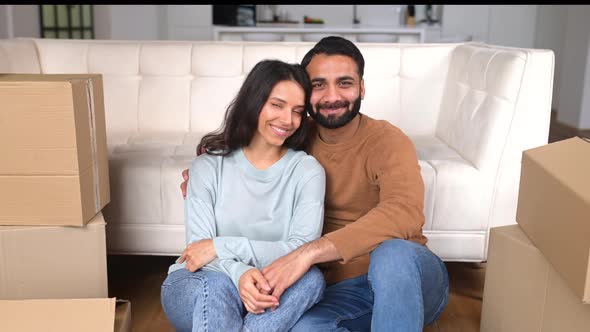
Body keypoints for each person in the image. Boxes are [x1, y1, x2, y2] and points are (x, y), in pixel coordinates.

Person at [181, 36, 449, 332]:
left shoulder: (388, 141)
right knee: (302, 327)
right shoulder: (294, 133)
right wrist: (205, 174)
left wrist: (308, 253)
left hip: (404, 281)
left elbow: (404, 212)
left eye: (344, 83)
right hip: (338, 292)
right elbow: (244, 148)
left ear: (361, 87)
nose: (331, 96)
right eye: (318, 85)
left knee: (392, 253)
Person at [162, 59, 327, 332]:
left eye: (298, 111)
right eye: (277, 105)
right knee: (216, 287)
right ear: (254, 101)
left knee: (311, 279)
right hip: (202, 283)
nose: (288, 120)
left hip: (270, 288)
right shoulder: (207, 166)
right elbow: (198, 252)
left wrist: (220, 246)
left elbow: (302, 250)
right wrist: (240, 273)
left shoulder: (307, 171)